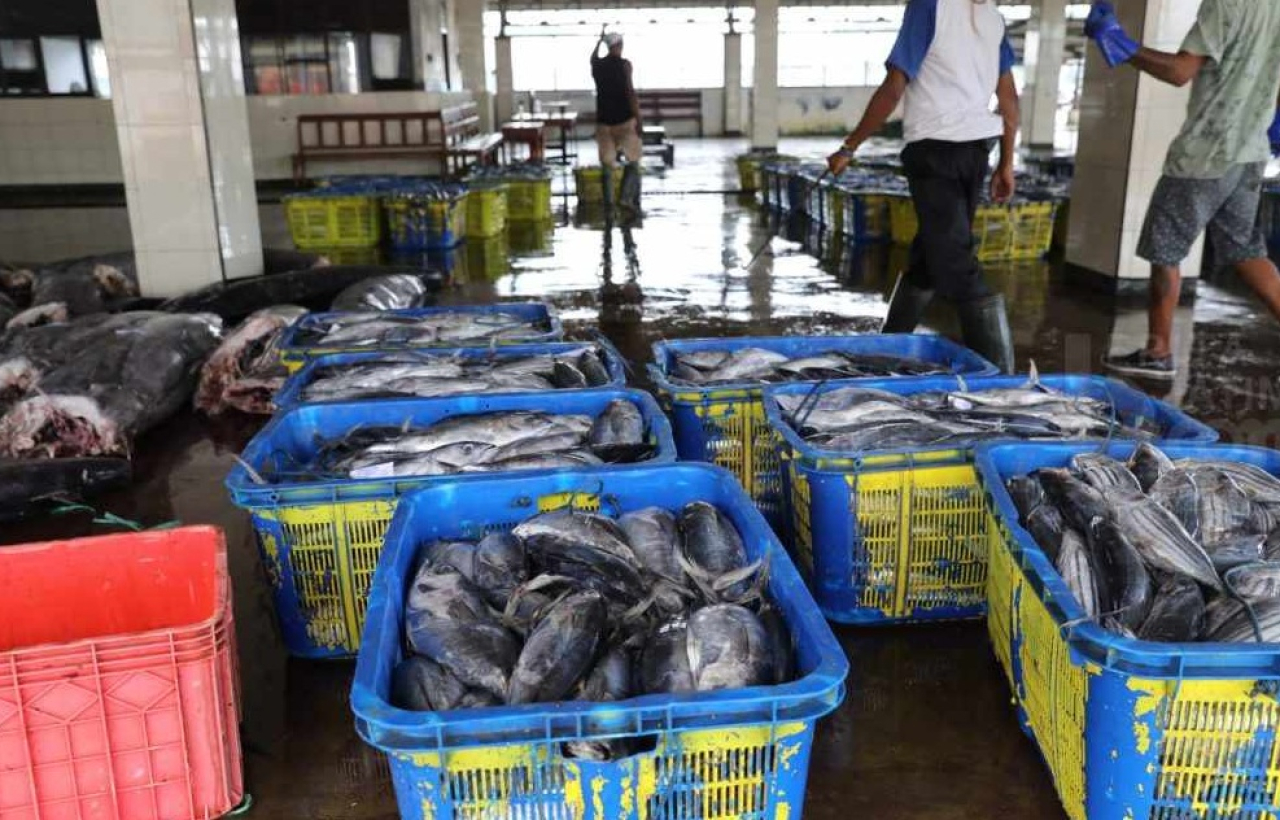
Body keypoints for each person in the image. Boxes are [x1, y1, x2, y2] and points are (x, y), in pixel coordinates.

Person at [1085, 0, 1280, 379]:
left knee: (1165, 249)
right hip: (1249, 152)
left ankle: (1158, 351)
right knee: (1244, 249)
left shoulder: (1225, 4)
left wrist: (1122, 44)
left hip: (1205, 153)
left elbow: (1179, 71)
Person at [829, 0, 1020, 373]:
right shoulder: (992, 17)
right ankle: (889, 345)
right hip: (976, 151)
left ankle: (1005, 381)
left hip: (934, 150)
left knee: (956, 263)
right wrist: (1006, 164)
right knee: (930, 256)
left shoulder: (929, 6)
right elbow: (1009, 98)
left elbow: (894, 86)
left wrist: (849, 146)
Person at [591, 30, 643, 216]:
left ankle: (609, 205)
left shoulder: (597, 66)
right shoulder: (625, 65)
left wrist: (599, 41)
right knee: (633, 161)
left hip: (604, 124)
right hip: (624, 121)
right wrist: (638, 118)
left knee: (606, 166)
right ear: (619, 45)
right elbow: (630, 91)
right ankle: (625, 198)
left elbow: (593, 57)